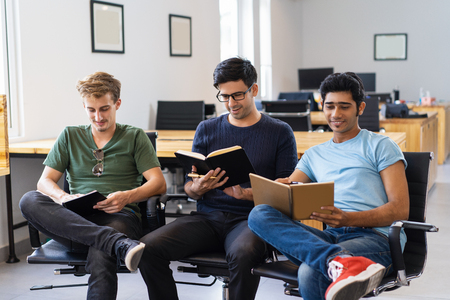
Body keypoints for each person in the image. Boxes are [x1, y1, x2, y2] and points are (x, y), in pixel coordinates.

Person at [139, 57, 298, 300]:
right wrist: (198, 187)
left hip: (252, 219)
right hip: (208, 218)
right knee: (147, 248)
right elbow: (189, 189)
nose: (230, 103)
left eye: (237, 95)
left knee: (243, 253)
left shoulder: (279, 132)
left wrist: (245, 194)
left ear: (254, 89)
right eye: (224, 96)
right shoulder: (207, 129)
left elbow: (286, 194)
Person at [248, 72, 409, 300]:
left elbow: (400, 210)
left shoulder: (381, 146)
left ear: (360, 108)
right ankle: (337, 261)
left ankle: (337, 262)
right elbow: (288, 194)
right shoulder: (315, 155)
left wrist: (349, 219)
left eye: (344, 106)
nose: (336, 114)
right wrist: (279, 189)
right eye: (330, 106)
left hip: (376, 239)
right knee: (258, 214)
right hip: (331, 238)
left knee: (310, 270)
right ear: (321, 106)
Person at [19, 72, 166, 300]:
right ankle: (117, 244)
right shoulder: (69, 135)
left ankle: (110, 240)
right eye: (91, 110)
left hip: (119, 217)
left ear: (117, 103)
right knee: (29, 199)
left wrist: (127, 197)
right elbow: (44, 182)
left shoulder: (135, 136)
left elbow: (159, 183)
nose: (98, 117)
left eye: (104, 108)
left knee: (100, 252)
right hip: (73, 220)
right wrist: (63, 197)